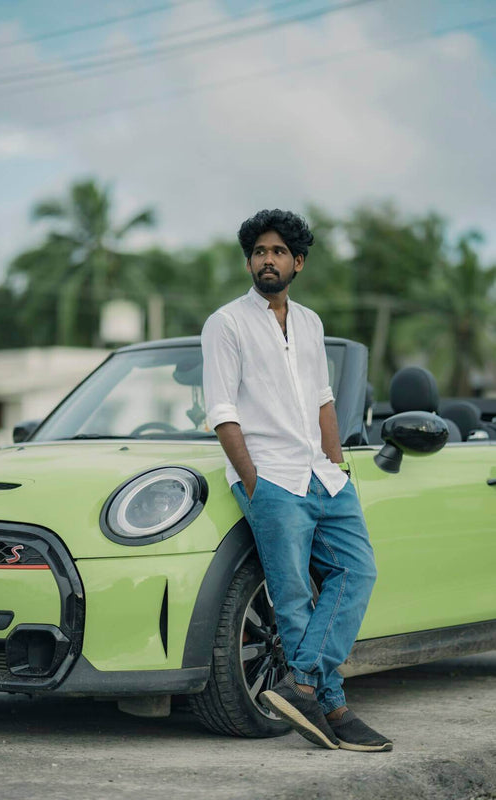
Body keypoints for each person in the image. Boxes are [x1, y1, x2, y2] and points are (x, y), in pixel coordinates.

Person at [201, 209, 392, 752]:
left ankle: (302, 683)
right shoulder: (227, 323)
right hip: (271, 479)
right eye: (260, 251)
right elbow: (221, 410)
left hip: (322, 475)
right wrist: (254, 482)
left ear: (298, 262)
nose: (268, 259)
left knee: (357, 571)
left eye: (279, 251)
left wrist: (334, 464)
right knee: (291, 602)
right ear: (249, 261)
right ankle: (333, 707)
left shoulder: (310, 323)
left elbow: (323, 401)